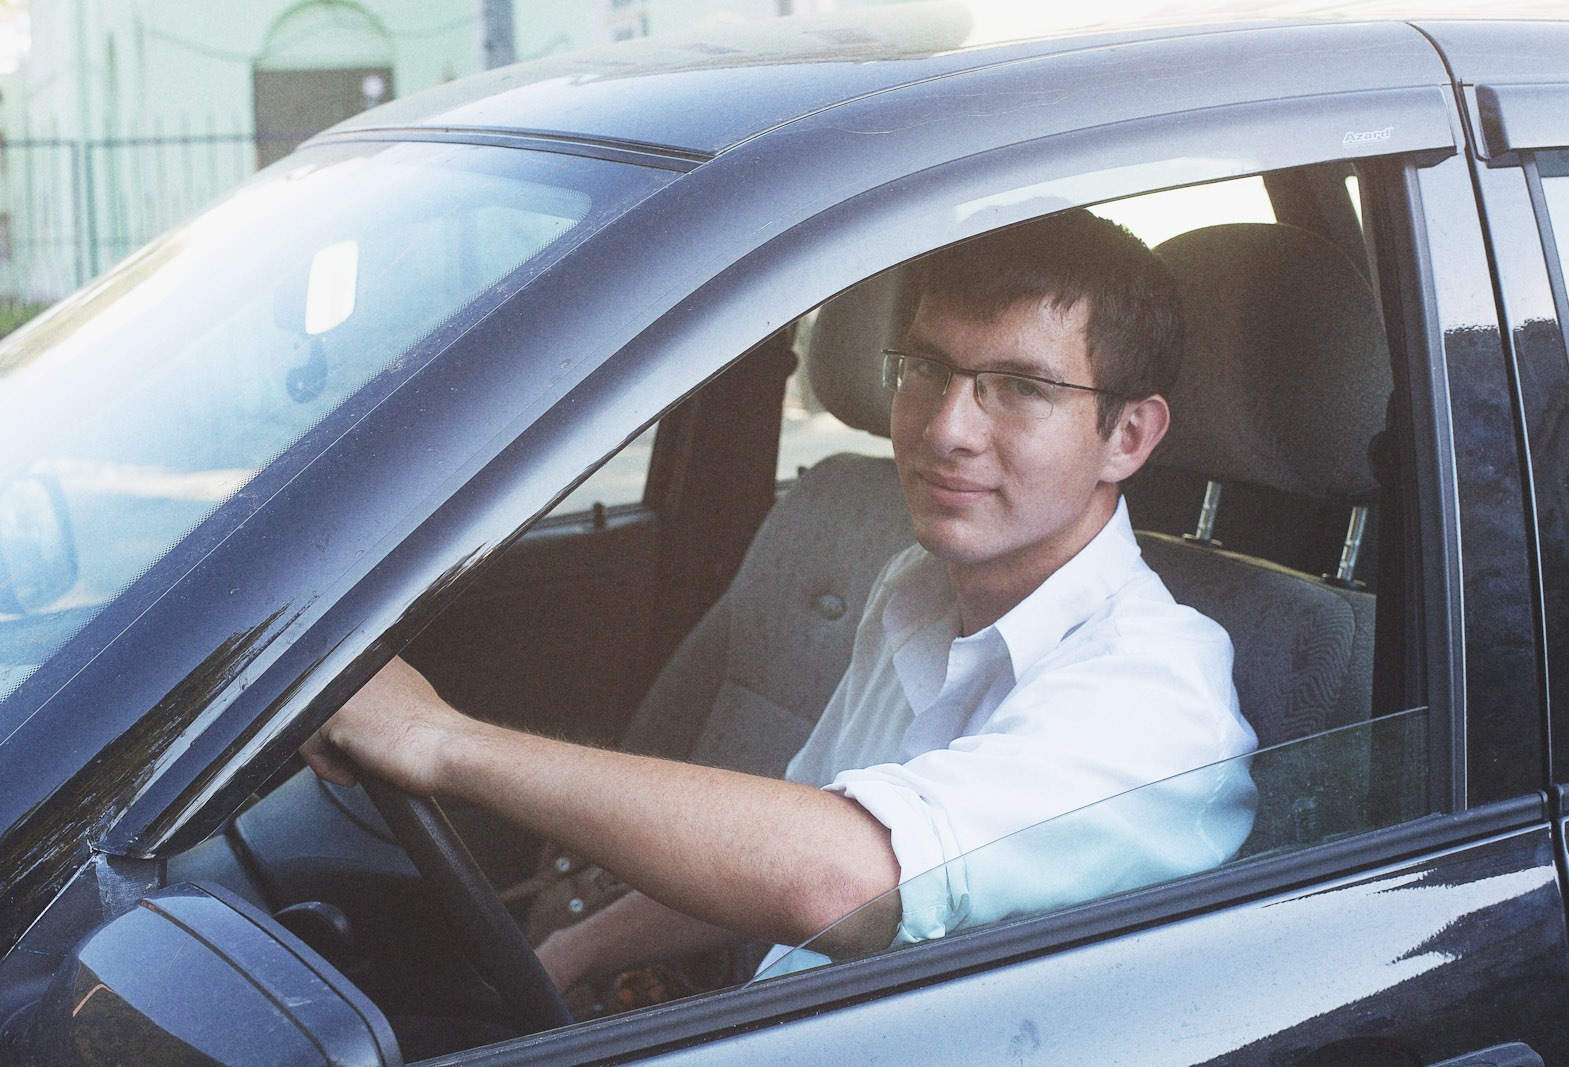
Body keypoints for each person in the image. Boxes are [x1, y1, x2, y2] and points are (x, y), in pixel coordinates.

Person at [301, 209, 1257, 998]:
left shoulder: (1158, 694)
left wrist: (445, 741)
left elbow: (845, 876)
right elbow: (792, 833)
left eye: (1019, 387)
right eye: (927, 368)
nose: (946, 428)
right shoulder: (918, 590)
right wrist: (575, 951)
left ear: (1128, 435)